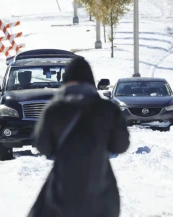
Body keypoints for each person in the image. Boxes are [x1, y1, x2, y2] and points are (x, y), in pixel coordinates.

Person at [28, 57, 130, 217]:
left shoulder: (54, 110)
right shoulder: (108, 109)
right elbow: (121, 145)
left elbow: (43, 145)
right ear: (91, 80)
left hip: (62, 192)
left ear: (66, 80)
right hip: (102, 191)